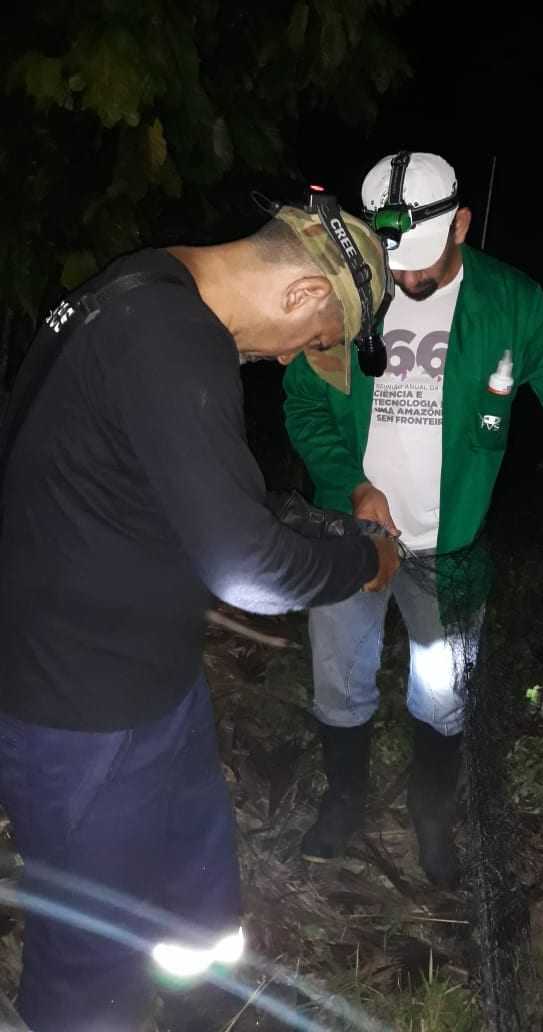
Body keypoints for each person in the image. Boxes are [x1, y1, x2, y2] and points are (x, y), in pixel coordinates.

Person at [0, 197, 399, 1031]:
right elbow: (247, 567)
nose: (292, 357)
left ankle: (200, 1015)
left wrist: (316, 519)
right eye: (313, 343)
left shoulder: (138, 288)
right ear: (302, 298)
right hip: (81, 713)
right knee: (90, 965)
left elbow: (187, 493)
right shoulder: (173, 338)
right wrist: (364, 560)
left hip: (155, 690)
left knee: (198, 901)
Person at [282, 152, 543, 889]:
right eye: (394, 263)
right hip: (349, 536)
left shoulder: (508, 302)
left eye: (419, 261)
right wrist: (350, 485)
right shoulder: (352, 292)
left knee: (442, 695)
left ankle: (431, 824)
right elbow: (306, 402)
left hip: (449, 550)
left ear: (461, 222)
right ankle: (344, 806)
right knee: (338, 679)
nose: (406, 279)